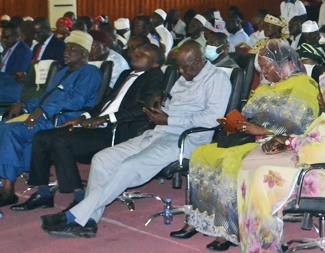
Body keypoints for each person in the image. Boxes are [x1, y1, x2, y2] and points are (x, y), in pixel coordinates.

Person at [40, 41, 231, 238]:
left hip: (186, 141)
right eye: (179, 66)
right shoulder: (184, 78)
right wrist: (161, 105)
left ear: (199, 61)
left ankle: (74, 216)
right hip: (159, 133)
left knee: (128, 167)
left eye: (185, 67)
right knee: (102, 159)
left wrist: (169, 119)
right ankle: (89, 221)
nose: (181, 72)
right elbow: (174, 108)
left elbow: (212, 119)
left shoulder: (217, 80)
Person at [170, 40, 319, 251]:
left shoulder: (303, 84)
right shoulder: (266, 86)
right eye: (261, 68)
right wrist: (237, 124)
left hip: (276, 142)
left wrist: (260, 129)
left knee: (231, 161)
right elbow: (250, 113)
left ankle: (228, 229)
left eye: (268, 67)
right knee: (202, 153)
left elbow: (301, 123)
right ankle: (200, 219)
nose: (264, 73)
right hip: (249, 137)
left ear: (283, 63)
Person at [235, 68, 325, 253]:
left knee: (264, 176)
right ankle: (256, 242)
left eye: (324, 93)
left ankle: (264, 248)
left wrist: (288, 142)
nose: (318, 97)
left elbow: (318, 153)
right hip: (316, 171)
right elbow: (309, 142)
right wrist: (283, 140)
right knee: (248, 171)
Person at [14, 44, 165, 212]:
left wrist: (105, 119)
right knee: (42, 137)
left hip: (116, 130)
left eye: (143, 53)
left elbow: (143, 110)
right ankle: (43, 194)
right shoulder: (125, 74)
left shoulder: (155, 76)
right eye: (137, 50)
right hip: (99, 124)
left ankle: (79, 197)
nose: (136, 52)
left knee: (60, 140)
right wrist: (83, 117)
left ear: (155, 64)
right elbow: (104, 104)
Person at [0, 31, 102, 206]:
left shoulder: (90, 72)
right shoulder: (63, 72)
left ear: (84, 53)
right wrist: (23, 105)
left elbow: (77, 101)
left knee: (12, 131)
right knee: (4, 125)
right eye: (66, 48)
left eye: (72, 49)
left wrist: (42, 112)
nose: (66, 52)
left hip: (63, 119)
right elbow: (44, 97)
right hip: (45, 116)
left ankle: (8, 190)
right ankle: (12, 177)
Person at [0, 22, 33, 102]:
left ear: (17, 35)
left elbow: (16, 76)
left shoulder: (24, 51)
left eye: (7, 37)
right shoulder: (7, 49)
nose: (4, 40)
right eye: (2, 37)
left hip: (12, 87)